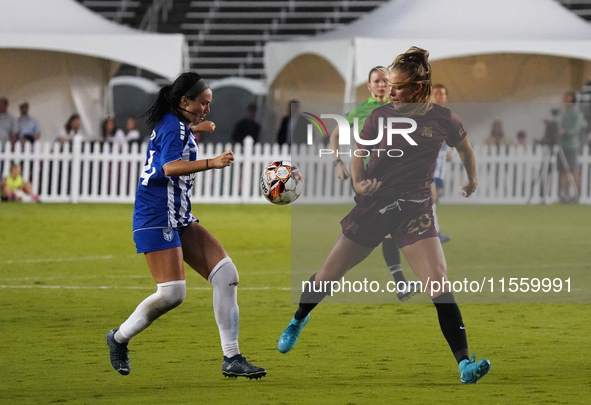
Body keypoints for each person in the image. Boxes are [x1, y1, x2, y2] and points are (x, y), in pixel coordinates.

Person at [278, 47, 490, 384]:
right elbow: (358, 156)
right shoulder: (380, 117)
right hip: (374, 208)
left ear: (419, 87)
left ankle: (464, 363)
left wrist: (472, 178)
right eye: (388, 85)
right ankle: (299, 318)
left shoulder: (445, 119)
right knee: (327, 277)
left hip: (415, 210)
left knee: (439, 284)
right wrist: (360, 186)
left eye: (398, 86)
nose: (389, 92)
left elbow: (464, 148)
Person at [105, 71, 266, 379]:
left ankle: (231, 358)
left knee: (227, 276)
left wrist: (195, 126)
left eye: (209, 104)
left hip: (178, 215)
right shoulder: (174, 128)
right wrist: (211, 162)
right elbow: (169, 167)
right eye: (202, 104)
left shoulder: (178, 124)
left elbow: (176, 136)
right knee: (172, 294)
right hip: (155, 217)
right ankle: (119, 337)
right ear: (184, 101)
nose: (207, 108)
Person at [329, 66, 415, 302]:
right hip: (369, 178)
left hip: (393, 177)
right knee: (374, 233)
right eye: (376, 81)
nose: (381, 85)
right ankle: (330, 276)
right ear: (368, 86)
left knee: (378, 232)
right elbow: (335, 134)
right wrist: (337, 161)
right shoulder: (360, 111)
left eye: (385, 81)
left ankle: (331, 276)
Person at [430, 84, 454, 244]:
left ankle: (432, 231)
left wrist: (451, 151)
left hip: (441, 164)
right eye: (436, 94)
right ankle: (434, 233)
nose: (439, 97)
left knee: (434, 197)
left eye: (442, 94)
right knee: (430, 197)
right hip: (427, 162)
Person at [558, 91, 586, 203]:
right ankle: (565, 195)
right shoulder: (563, 114)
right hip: (562, 145)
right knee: (563, 171)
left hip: (572, 145)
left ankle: (576, 194)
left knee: (574, 170)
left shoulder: (577, 114)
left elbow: (577, 129)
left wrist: (566, 131)